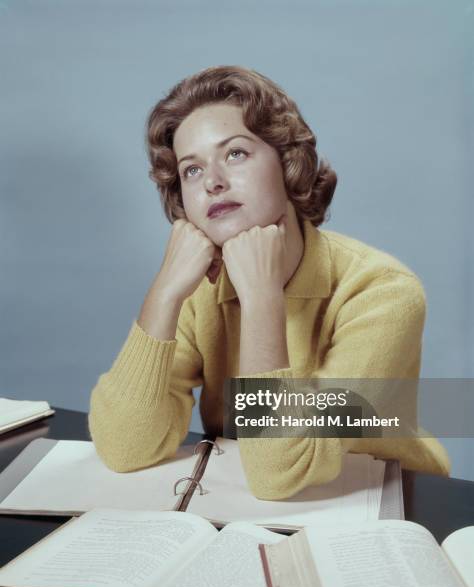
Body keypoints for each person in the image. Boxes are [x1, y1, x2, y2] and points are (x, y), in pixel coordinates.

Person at [89, 66, 450, 500]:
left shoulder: (383, 292)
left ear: (287, 162)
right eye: (191, 170)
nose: (213, 182)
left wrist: (262, 297)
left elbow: (282, 471)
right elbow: (124, 448)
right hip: (262, 510)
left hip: (394, 503)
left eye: (236, 153)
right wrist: (165, 292)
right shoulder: (201, 289)